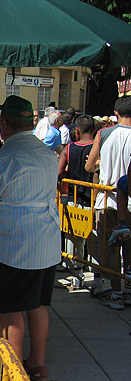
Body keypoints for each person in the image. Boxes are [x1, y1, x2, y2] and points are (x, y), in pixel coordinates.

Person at [0, 95, 61, 381]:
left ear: (5, 125)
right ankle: (37, 363)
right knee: (37, 305)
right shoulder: (48, 154)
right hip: (46, 241)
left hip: (15, 244)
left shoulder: (6, 156)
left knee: (10, 312)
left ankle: (13, 374)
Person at [85, 96, 131, 308]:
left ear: (116, 113)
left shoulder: (104, 133)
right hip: (128, 199)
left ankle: (116, 294)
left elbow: (90, 165)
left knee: (110, 248)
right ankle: (128, 289)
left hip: (107, 199)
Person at [57, 114, 95, 274]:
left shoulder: (68, 148)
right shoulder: (96, 149)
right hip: (94, 199)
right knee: (91, 237)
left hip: (74, 198)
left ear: (77, 131)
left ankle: (73, 268)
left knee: (72, 236)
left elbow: (58, 172)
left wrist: (66, 178)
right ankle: (91, 268)